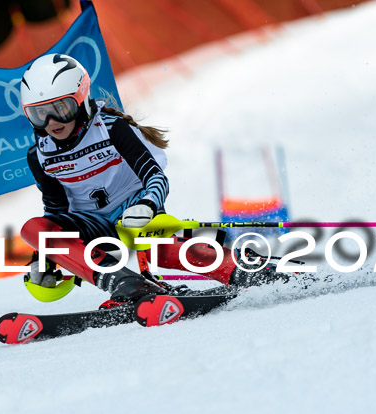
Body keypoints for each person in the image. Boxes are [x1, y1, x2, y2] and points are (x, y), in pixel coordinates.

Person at [19, 53, 280, 306]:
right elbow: (54, 213)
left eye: (60, 108)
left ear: (82, 100)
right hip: (94, 226)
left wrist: (147, 204)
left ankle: (241, 270)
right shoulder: (39, 154)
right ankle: (123, 283)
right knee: (31, 228)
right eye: (39, 113)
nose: (52, 121)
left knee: (158, 249)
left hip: (134, 211)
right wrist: (45, 258)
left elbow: (155, 177)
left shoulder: (111, 128)